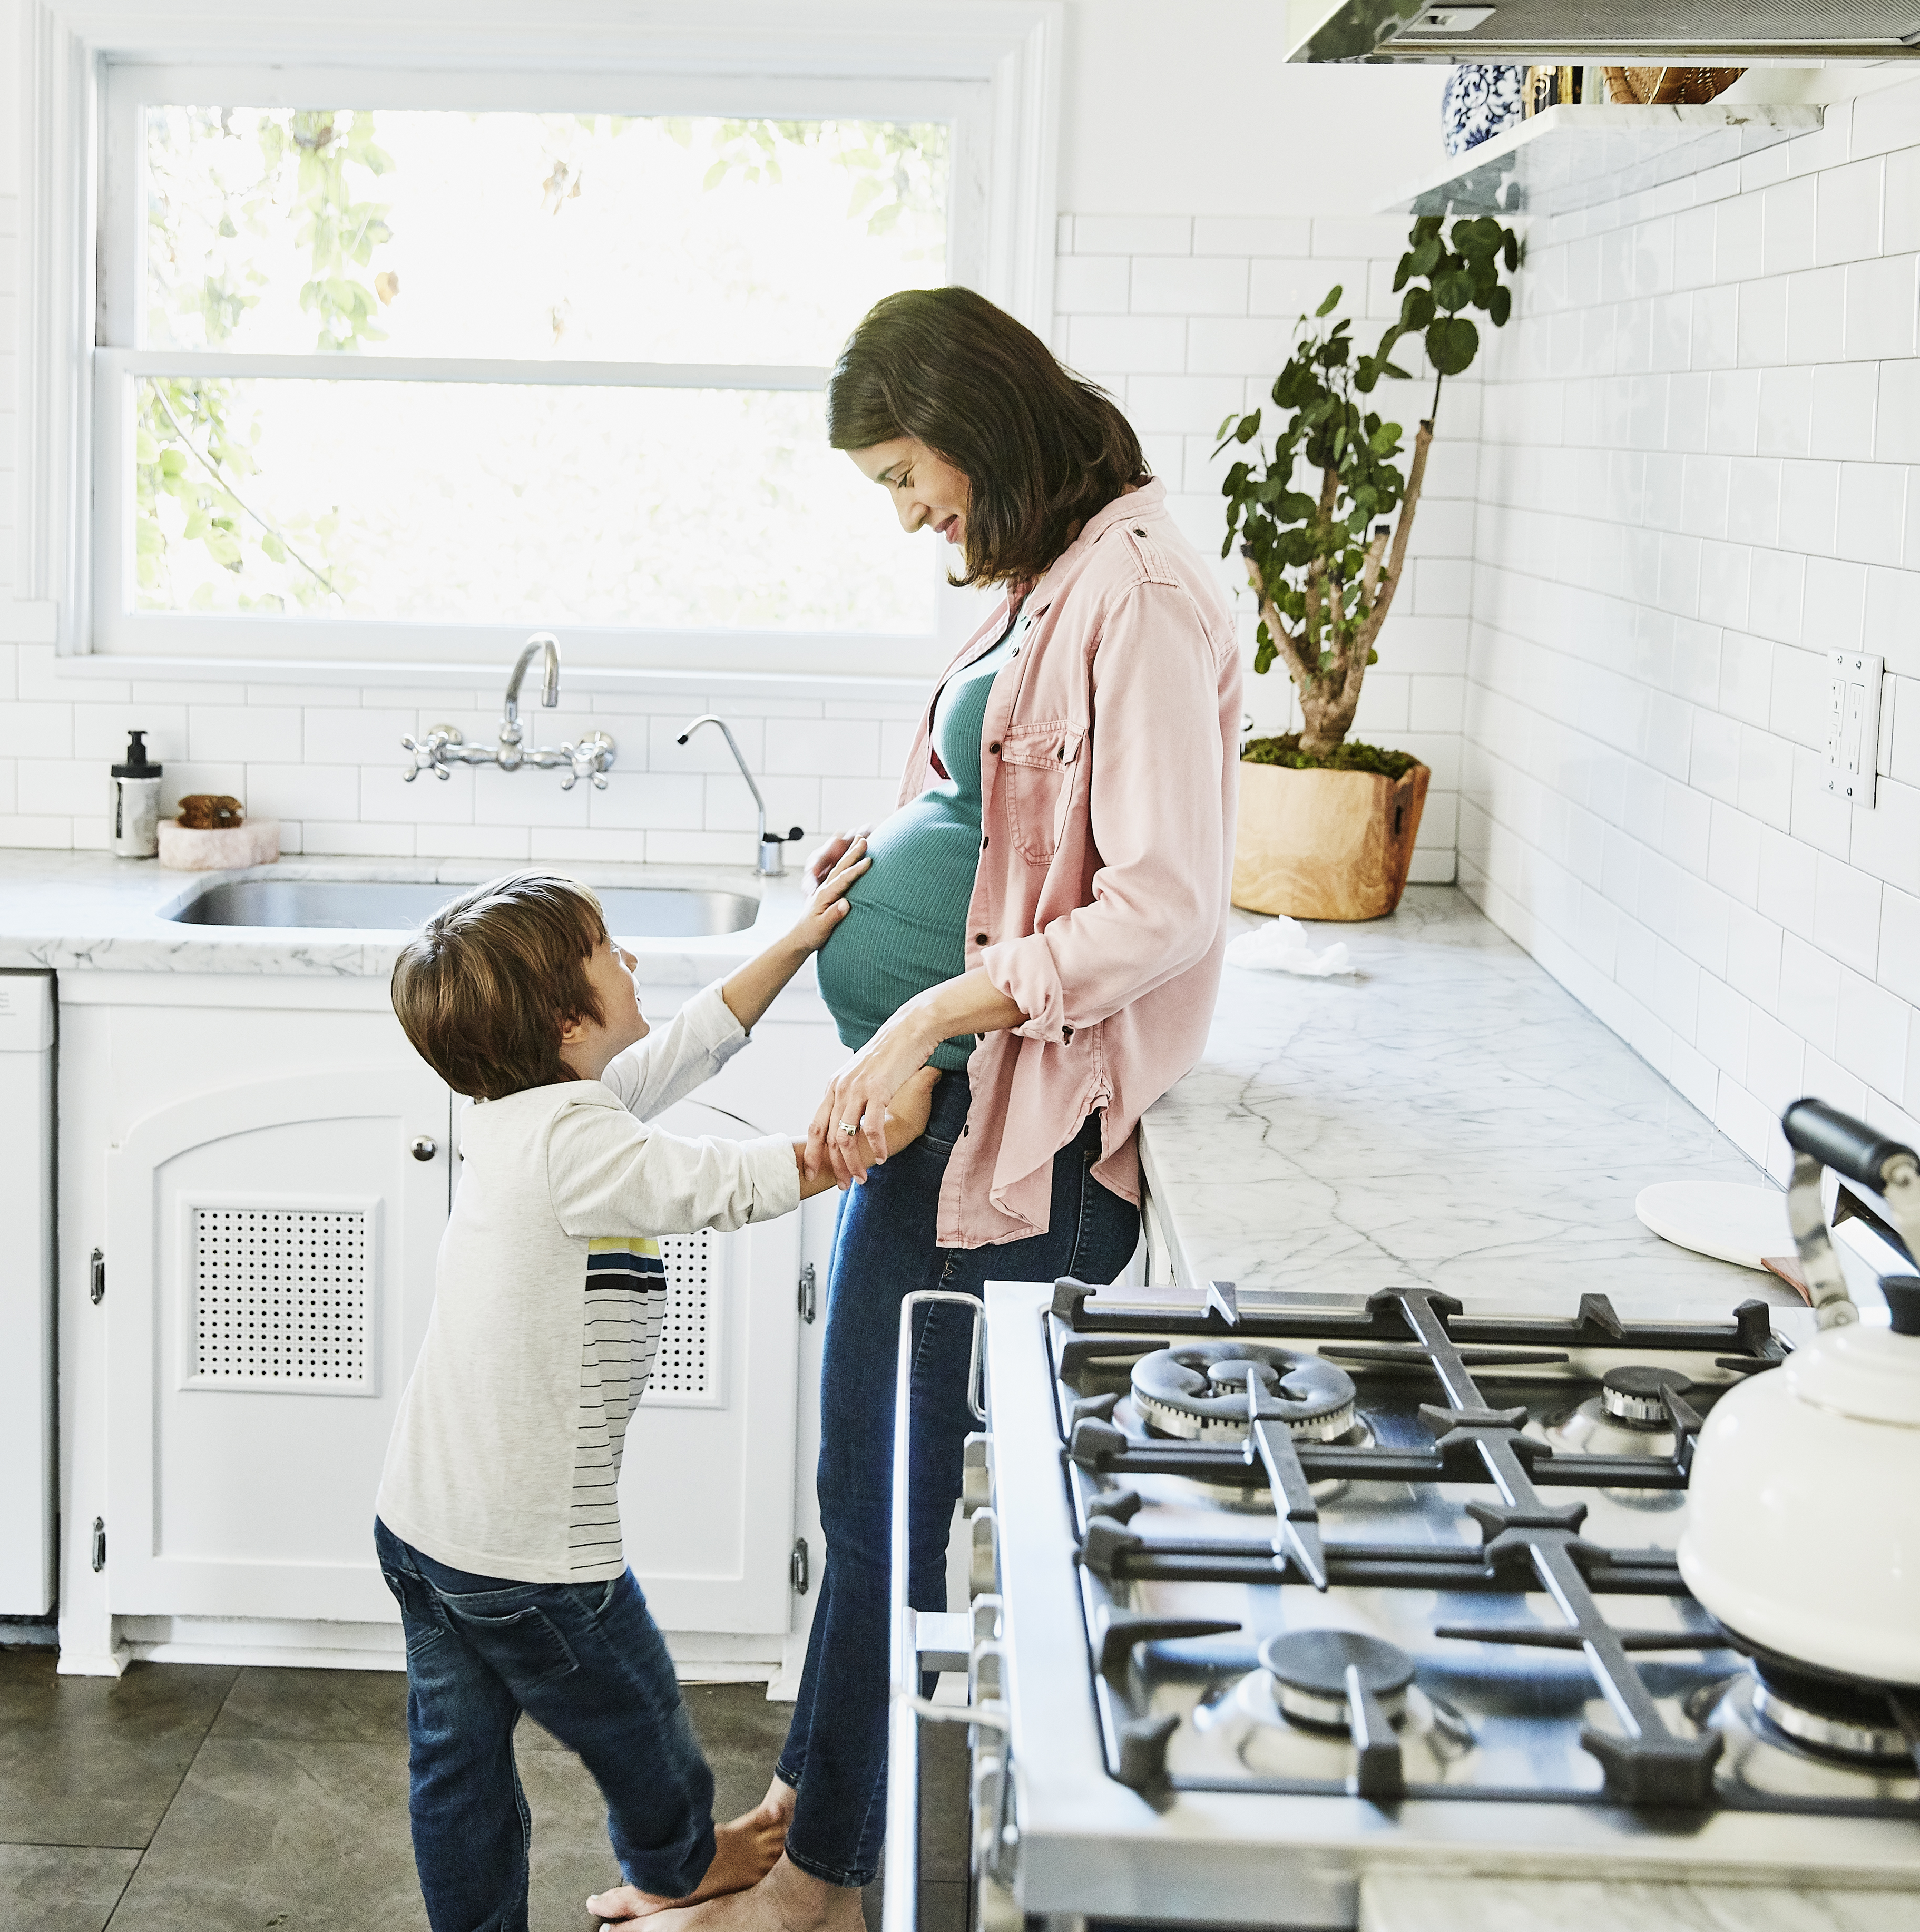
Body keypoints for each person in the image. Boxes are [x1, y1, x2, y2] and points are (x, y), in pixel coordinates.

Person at [613, 288, 1242, 1931]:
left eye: (905, 473)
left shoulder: (1145, 594)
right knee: (859, 1489)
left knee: (886, 1502)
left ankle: (816, 1890)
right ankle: (805, 1807)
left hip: (1013, 1137)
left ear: (977, 417)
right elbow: (997, 814)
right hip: (948, 1117)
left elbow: (1164, 900)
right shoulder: (1057, 575)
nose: (907, 515)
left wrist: (937, 1000)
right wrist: (886, 858)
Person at [375, 862, 939, 1932]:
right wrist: (857, 1146)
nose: (630, 959)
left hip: (423, 1527)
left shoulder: (531, 1111)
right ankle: (679, 1860)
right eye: (608, 951)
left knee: (456, 1766)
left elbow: (688, 1040)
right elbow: (717, 1183)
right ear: (564, 1018)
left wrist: (796, 942)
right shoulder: (574, 1144)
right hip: (531, 1555)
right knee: (638, 1724)